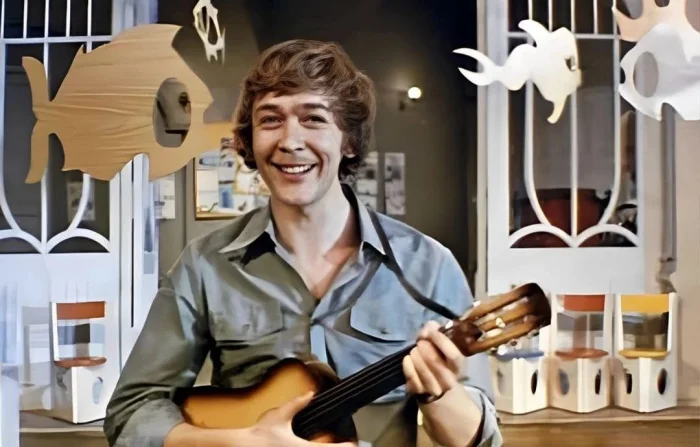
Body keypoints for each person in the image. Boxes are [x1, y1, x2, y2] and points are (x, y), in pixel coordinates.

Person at [103, 39, 501, 447]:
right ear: (249, 141)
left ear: (348, 140)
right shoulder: (204, 265)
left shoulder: (429, 266)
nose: (290, 141)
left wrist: (440, 394)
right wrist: (246, 442)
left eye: (313, 118)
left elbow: (482, 440)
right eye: (270, 119)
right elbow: (130, 414)